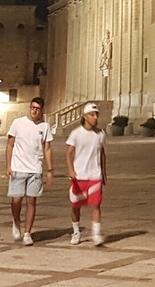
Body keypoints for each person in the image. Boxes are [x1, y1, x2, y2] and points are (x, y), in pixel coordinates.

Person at [6, 97, 54, 246]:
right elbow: (10, 144)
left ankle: (27, 233)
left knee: (32, 201)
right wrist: (8, 165)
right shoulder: (18, 123)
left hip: (35, 168)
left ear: (42, 110)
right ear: (29, 107)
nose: (34, 110)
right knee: (16, 200)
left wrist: (50, 170)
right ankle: (16, 221)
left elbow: (47, 148)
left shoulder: (45, 127)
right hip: (18, 167)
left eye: (38, 108)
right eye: (33, 107)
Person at [66, 102, 106, 246]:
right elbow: (69, 153)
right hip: (79, 175)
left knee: (96, 204)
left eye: (96, 115)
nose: (95, 117)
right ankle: (76, 231)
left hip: (95, 175)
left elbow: (102, 153)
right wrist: (71, 169)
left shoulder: (100, 134)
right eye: (92, 115)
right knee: (76, 206)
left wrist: (104, 173)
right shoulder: (76, 133)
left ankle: (96, 234)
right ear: (84, 116)